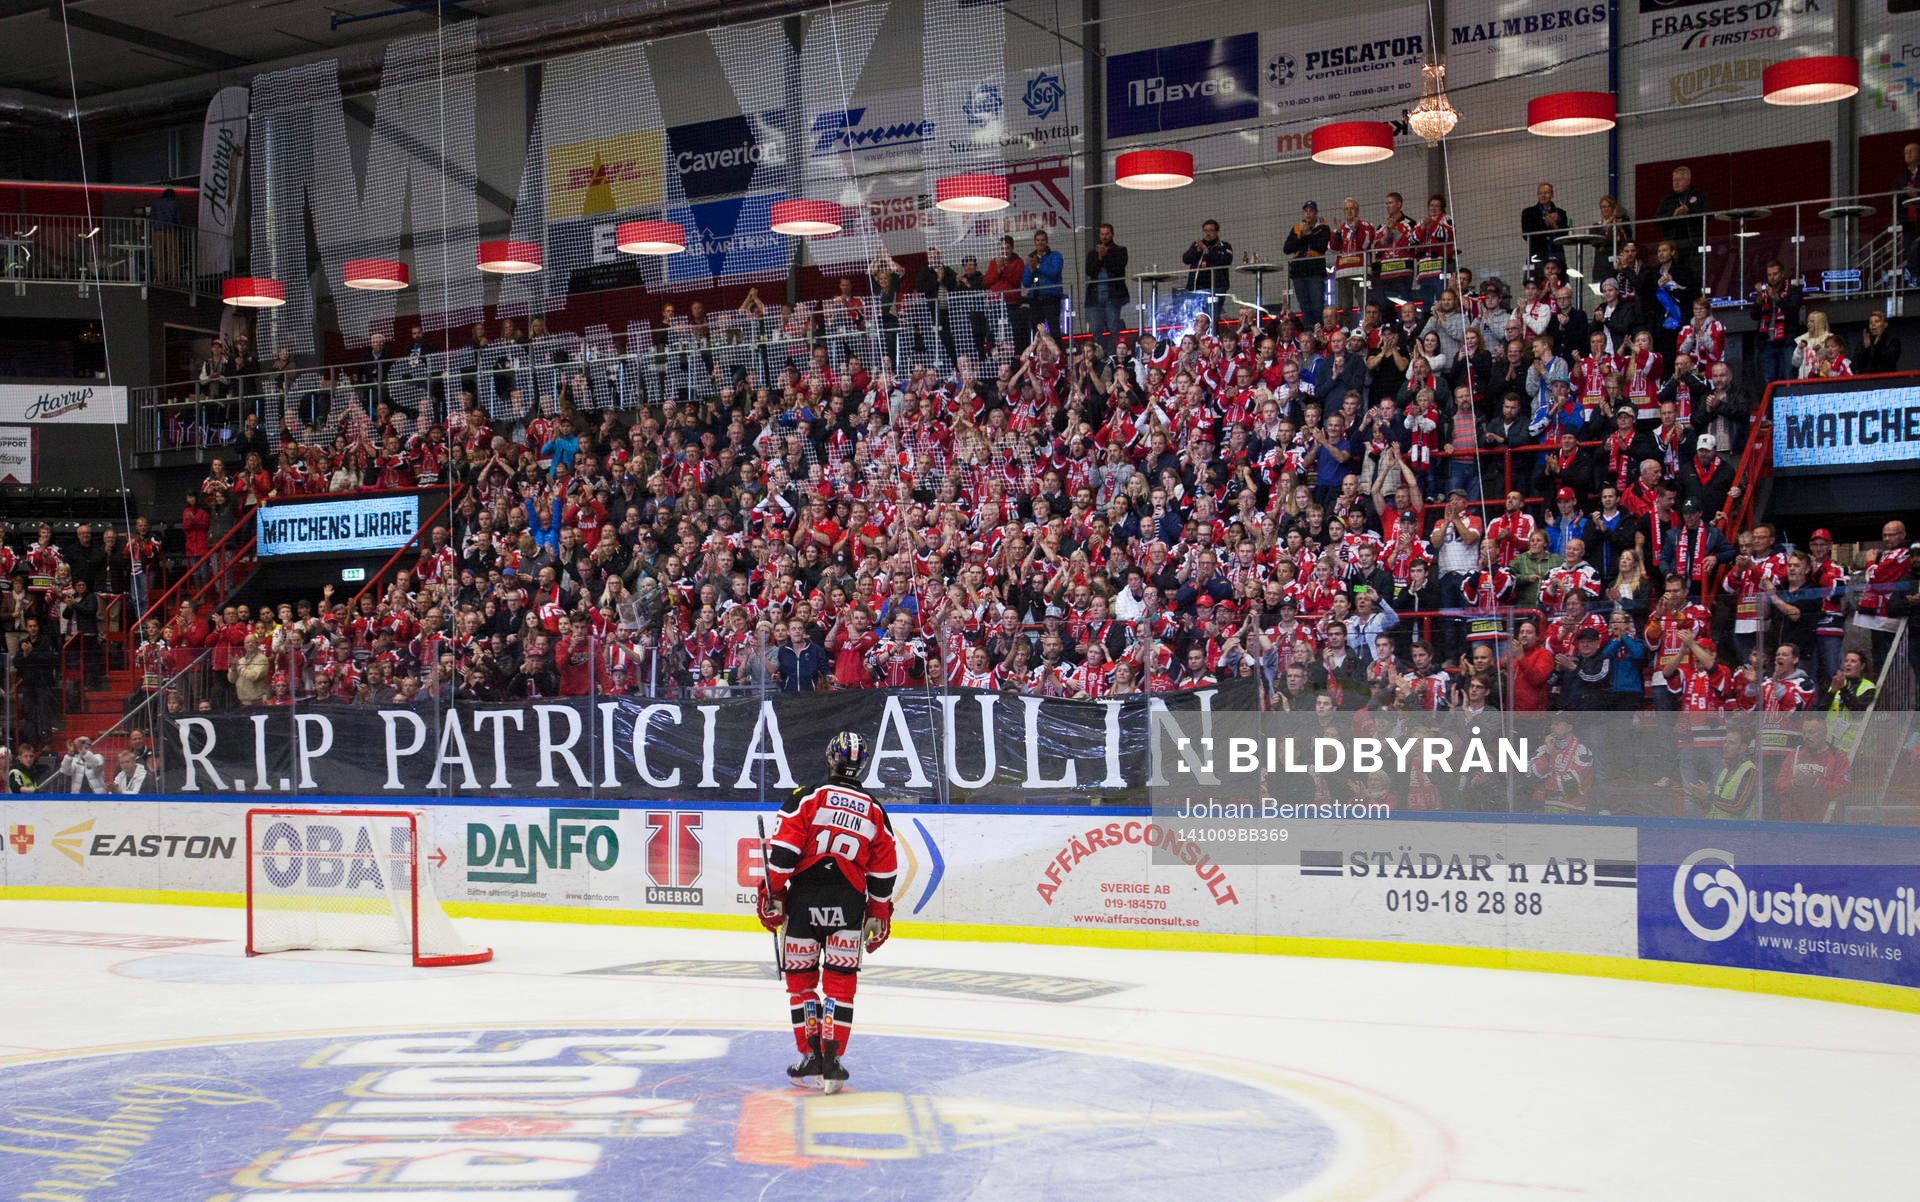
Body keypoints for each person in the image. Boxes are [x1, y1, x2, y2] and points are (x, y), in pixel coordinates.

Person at [757, 731, 898, 1092]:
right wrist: (878, 911)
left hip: (805, 902)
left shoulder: (806, 797)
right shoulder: (874, 809)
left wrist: (771, 893)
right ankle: (833, 1061)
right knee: (841, 985)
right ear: (861, 764)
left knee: (801, 985)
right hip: (849, 903)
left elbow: (785, 854)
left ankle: (811, 1056)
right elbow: (883, 871)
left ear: (830, 758)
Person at [1750, 259, 1802, 385]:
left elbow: (1792, 309)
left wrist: (1775, 297)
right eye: (1769, 275)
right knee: (1769, 380)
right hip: (1767, 341)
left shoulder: (1792, 290)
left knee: (1788, 377)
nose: (1772, 278)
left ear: (1782, 274)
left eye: (1775, 274)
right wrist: (1759, 300)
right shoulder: (1764, 293)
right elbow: (1754, 316)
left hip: (1787, 341)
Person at [1083, 223, 1129, 356]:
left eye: (1107, 234)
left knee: (1113, 327)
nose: (1104, 237)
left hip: (1112, 297)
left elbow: (1118, 268)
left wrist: (1106, 255)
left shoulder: (1120, 250)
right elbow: (1090, 271)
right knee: (1096, 328)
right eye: (1102, 234)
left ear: (1112, 234)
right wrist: (1099, 257)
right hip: (1095, 298)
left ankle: (1111, 354)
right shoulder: (1093, 253)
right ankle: (1099, 354)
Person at [1281, 204, 1329, 321]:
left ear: (1316, 213)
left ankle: (1319, 332)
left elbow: (1321, 246)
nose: (1308, 213)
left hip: (1315, 272)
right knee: (1304, 306)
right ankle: (1308, 333)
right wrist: (1300, 236)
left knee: (1317, 306)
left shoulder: (1323, 228)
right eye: (1305, 211)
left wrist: (1307, 235)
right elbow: (1287, 249)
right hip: (1299, 273)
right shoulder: (1296, 229)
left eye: (1311, 211)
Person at [1019, 229, 1064, 351]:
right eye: (1038, 240)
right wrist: (1032, 270)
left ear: (1047, 241)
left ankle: (1060, 357)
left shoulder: (1055, 256)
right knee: (1036, 331)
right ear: (1034, 242)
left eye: (1043, 240)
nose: (1040, 243)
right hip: (1035, 300)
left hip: (1051, 298)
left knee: (1054, 329)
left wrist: (1038, 266)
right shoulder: (1030, 260)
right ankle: (1038, 359)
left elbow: (1054, 272)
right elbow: (1026, 282)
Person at [1654, 165, 1710, 261]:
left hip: (1694, 243)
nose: (1675, 183)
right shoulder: (1667, 199)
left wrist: (1689, 211)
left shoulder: (1699, 195)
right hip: (1673, 246)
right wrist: (1673, 215)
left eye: (1679, 180)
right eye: (1674, 180)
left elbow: (1709, 214)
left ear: (1688, 180)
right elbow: (1657, 220)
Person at [1182, 218, 1234, 304]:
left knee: (1212, 314)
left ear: (1216, 232)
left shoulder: (1224, 246)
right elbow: (1185, 259)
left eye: (1211, 230)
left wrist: (1207, 250)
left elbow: (1227, 260)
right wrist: (1197, 250)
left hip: (1216, 288)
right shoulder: (1197, 245)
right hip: (1196, 288)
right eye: (1205, 230)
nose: (1207, 233)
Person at [1521, 182, 1570, 271]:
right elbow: (1526, 235)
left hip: (1557, 255)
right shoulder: (1528, 213)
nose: (1543, 196)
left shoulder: (1561, 213)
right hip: (1536, 256)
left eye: (1546, 193)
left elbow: (1565, 235)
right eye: (1540, 193)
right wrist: (1545, 224)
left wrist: (1554, 225)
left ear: (1552, 194)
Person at [1896, 140, 1919, 285]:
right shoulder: (1900, 178)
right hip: (1909, 223)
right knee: (1910, 252)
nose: (1908, 154)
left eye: (1911, 151)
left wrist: (1916, 195)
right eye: (1905, 152)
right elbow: (1895, 199)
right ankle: (1914, 280)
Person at [1855, 311, 1901, 375]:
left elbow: (1890, 361)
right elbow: (1855, 365)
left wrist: (1878, 346)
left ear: (1885, 324)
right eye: (1871, 322)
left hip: (1885, 381)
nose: (1873, 324)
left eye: (1877, 321)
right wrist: (1865, 349)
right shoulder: (1863, 343)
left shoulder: (1892, 341)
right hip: (1866, 382)